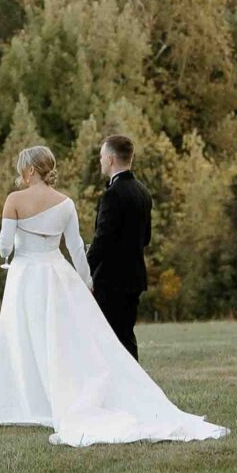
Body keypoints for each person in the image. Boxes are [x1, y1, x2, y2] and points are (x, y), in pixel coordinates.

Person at [0, 144, 226, 448]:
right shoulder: (66, 203)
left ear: (30, 169)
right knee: (58, 341)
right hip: (57, 275)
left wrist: (10, 251)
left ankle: (29, 404)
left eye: (22, 167)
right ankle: (55, 401)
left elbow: (4, 245)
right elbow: (75, 248)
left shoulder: (14, 200)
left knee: (24, 339)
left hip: (26, 275)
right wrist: (85, 282)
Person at [90, 132, 150, 360]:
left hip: (111, 281)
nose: (101, 161)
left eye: (102, 156)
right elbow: (145, 238)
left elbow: (102, 240)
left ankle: (126, 391)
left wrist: (84, 270)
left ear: (112, 159)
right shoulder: (143, 192)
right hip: (134, 278)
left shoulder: (113, 194)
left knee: (109, 340)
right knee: (125, 337)